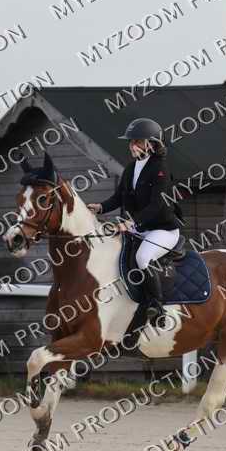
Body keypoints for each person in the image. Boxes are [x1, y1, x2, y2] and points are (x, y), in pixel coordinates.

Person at [87, 118, 183, 323]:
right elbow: (119, 197)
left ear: (152, 143)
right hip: (139, 228)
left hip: (162, 230)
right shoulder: (131, 168)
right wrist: (101, 207)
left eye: (137, 141)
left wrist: (130, 223)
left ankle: (156, 306)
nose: (131, 145)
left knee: (142, 257)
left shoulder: (160, 168)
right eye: (131, 142)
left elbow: (157, 204)